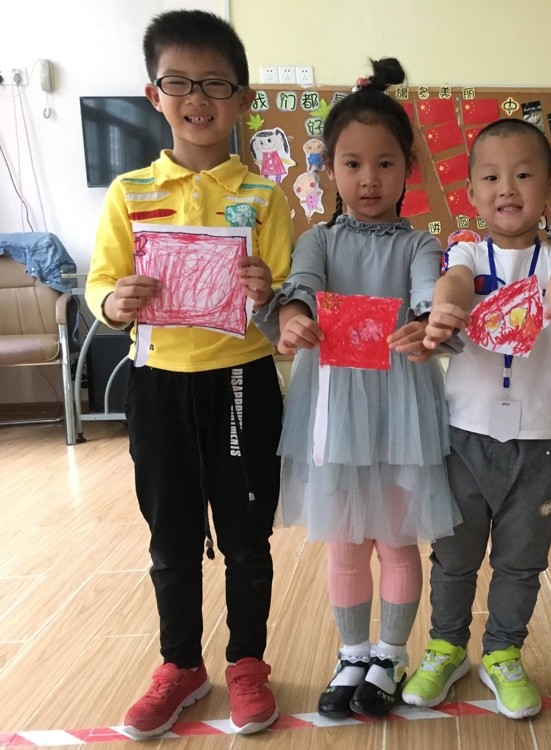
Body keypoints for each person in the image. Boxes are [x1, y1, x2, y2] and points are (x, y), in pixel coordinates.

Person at [85, 10, 292, 739]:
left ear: (242, 100)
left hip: (242, 381)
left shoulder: (265, 197)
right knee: (169, 535)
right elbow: (102, 283)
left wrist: (268, 291)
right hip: (158, 383)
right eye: (179, 82)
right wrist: (114, 301)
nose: (197, 97)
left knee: (246, 535)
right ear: (154, 95)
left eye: (215, 83)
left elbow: (285, 295)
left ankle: (247, 663)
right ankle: (179, 665)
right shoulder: (129, 192)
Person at [258, 58, 458, 720]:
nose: (368, 178)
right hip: (333, 411)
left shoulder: (419, 245)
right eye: (352, 164)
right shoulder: (317, 240)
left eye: (384, 163)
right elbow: (300, 291)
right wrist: (293, 318)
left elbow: (431, 295)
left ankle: (391, 654)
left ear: (408, 170)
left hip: (401, 409)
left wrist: (427, 323)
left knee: (398, 539)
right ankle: (352, 653)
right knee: (345, 541)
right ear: (329, 170)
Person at [401, 118, 551, 719]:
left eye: (524, 175)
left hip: (539, 443)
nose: (507, 188)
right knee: (453, 556)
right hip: (465, 437)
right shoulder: (465, 253)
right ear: (473, 193)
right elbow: (454, 283)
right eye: (491, 177)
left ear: (550, 187)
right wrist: (444, 309)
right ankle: (447, 647)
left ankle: (504, 652)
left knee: (521, 560)